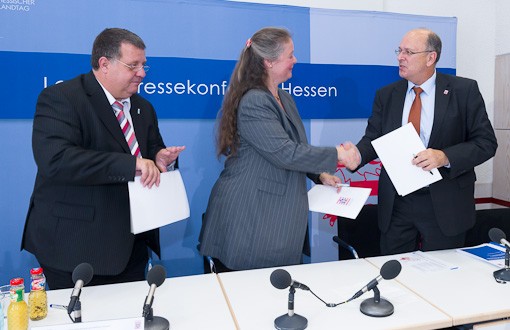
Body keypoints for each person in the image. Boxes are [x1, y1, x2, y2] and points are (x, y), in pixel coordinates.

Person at [21, 28, 185, 289]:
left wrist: (160, 159)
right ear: (104, 64)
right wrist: (132, 165)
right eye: (133, 65)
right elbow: (56, 159)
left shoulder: (143, 107)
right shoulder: (62, 99)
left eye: (144, 65)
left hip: (132, 244)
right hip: (76, 247)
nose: (142, 73)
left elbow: (152, 150)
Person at [198, 27, 353, 272]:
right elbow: (284, 153)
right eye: (290, 55)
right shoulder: (255, 100)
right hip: (253, 216)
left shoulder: (284, 97)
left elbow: (295, 147)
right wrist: (338, 154)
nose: (295, 61)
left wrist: (318, 175)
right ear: (269, 62)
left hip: (273, 218)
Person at [342, 28, 497, 255]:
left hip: (445, 202)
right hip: (397, 204)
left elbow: (486, 142)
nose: (400, 57)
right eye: (399, 51)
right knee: (396, 274)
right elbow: (374, 139)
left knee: (443, 276)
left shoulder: (463, 90)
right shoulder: (387, 95)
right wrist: (358, 155)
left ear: (430, 57)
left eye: (408, 52)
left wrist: (445, 157)